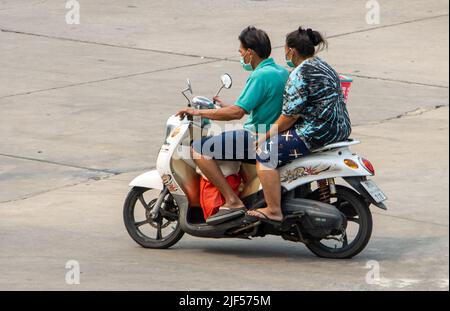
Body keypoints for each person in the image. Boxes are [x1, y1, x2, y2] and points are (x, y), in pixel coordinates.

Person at [176, 26, 289, 225]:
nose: (241, 55)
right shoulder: (280, 72)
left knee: (199, 150)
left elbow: (237, 113)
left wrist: (197, 111)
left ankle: (232, 200)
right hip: (275, 134)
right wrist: (223, 106)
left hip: (257, 136)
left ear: (250, 53)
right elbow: (249, 107)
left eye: (241, 51)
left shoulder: (259, 75)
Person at [247, 27, 352, 222]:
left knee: (265, 153)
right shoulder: (324, 66)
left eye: (286, 48)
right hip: (340, 128)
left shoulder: (299, 74)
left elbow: (289, 117)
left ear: (292, 50)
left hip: (316, 132)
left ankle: (273, 210)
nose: (285, 52)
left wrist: (265, 136)